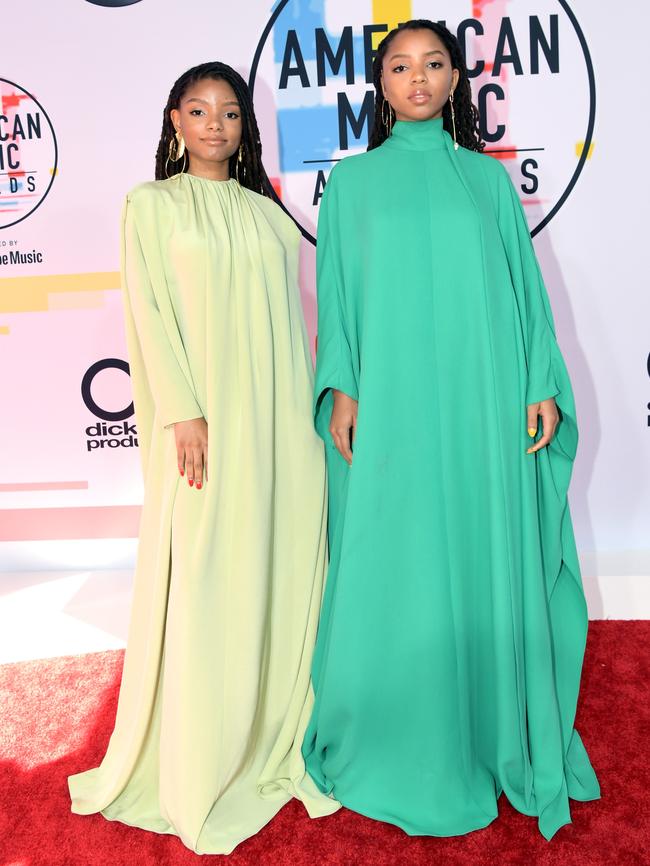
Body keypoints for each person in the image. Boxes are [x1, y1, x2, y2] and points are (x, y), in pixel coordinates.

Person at [302, 20, 600, 841]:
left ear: (456, 78)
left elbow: (523, 290)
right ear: (381, 83)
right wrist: (343, 389)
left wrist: (539, 380)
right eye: (401, 66)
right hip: (393, 404)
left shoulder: (488, 183)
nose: (419, 78)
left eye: (434, 63)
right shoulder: (353, 184)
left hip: (481, 400)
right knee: (394, 554)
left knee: (477, 544)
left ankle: (490, 728)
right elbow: (340, 299)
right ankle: (396, 726)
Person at [68, 61, 337, 855]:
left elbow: (289, 328)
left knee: (281, 569)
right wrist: (183, 409)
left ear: (244, 127)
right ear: (175, 122)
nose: (214, 124)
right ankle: (196, 754)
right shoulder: (149, 207)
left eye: (228, 112)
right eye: (198, 110)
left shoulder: (270, 217)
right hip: (206, 425)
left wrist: (308, 423)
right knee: (207, 576)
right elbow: (149, 309)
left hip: (282, 428)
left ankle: (269, 733)